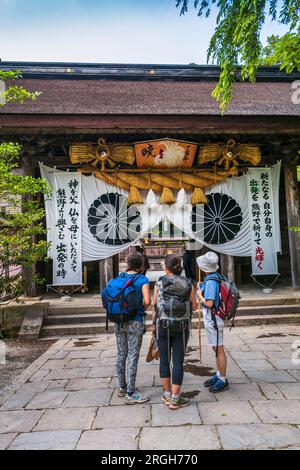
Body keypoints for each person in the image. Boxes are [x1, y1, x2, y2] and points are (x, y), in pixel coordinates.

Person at [103, 251, 151, 404]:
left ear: (127, 263)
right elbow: (148, 301)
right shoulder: (142, 279)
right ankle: (131, 392)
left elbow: (106, 297)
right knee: (133, 354)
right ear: (141, 265)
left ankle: (122, 387)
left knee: (121, 353)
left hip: (118, 320)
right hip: (135, 320)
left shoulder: (118, 278)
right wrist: (140, 307)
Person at [152, 254, 197, 410]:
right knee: (178, 361)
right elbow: (195, 306)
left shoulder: (158, 283)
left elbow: (154, 306)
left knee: (164, 360)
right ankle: (175, 399)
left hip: (162, 325)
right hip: (182, 326)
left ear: (166, 267)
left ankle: (166, 393)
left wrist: (153, 325)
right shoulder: (188, 283)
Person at [197, 251, 229, 393]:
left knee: (218, 348)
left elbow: (209, 303)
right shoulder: (214, 277)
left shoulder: (211, 282)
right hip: (214, 318)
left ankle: (222, 379)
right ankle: (218, 374)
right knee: (216, 347)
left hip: (213, 318)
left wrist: (199, 295)